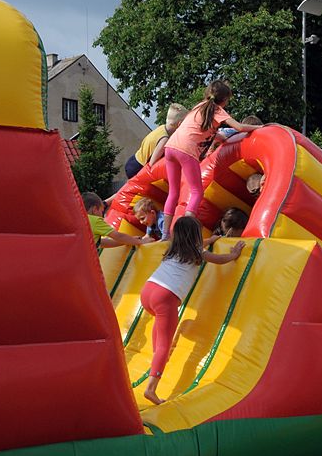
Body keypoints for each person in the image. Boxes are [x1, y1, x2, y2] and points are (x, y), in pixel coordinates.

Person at [140, 216, 246, 404]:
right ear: (195, 235)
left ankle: (155, 365)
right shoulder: (197, 251)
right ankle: (151, 389)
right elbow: (219, 259)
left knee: (159, 332)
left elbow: (200, 244)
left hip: (148, 290)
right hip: (165, 296)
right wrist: (233, 254)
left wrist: (212, 240)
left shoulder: (173, 249)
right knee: (165, 344)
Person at [162, 80, 262, 238]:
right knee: (196, 192)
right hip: (186, 151)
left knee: (173, 192)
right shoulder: (217, 110)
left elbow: (209, 133)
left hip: (170, 148)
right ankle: (185, 232)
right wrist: (263, 127)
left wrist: (222, 140)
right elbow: (240, 127)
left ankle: (164, 234)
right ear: (224, 100)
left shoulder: (199, 107)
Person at [124, 103, 189, 179]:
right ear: (179, 124)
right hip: (137, 167)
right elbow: (152, 164)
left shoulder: (161, 128)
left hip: (133, 160)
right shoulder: (164, 139)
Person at [83, 192, 153, 248]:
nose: (102, 215)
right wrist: (141, 241)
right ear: (95, 209)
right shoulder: (95, 221)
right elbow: (118, 236)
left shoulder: (82, 220)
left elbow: (102, 243)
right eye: (102, 211)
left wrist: (132, 240)